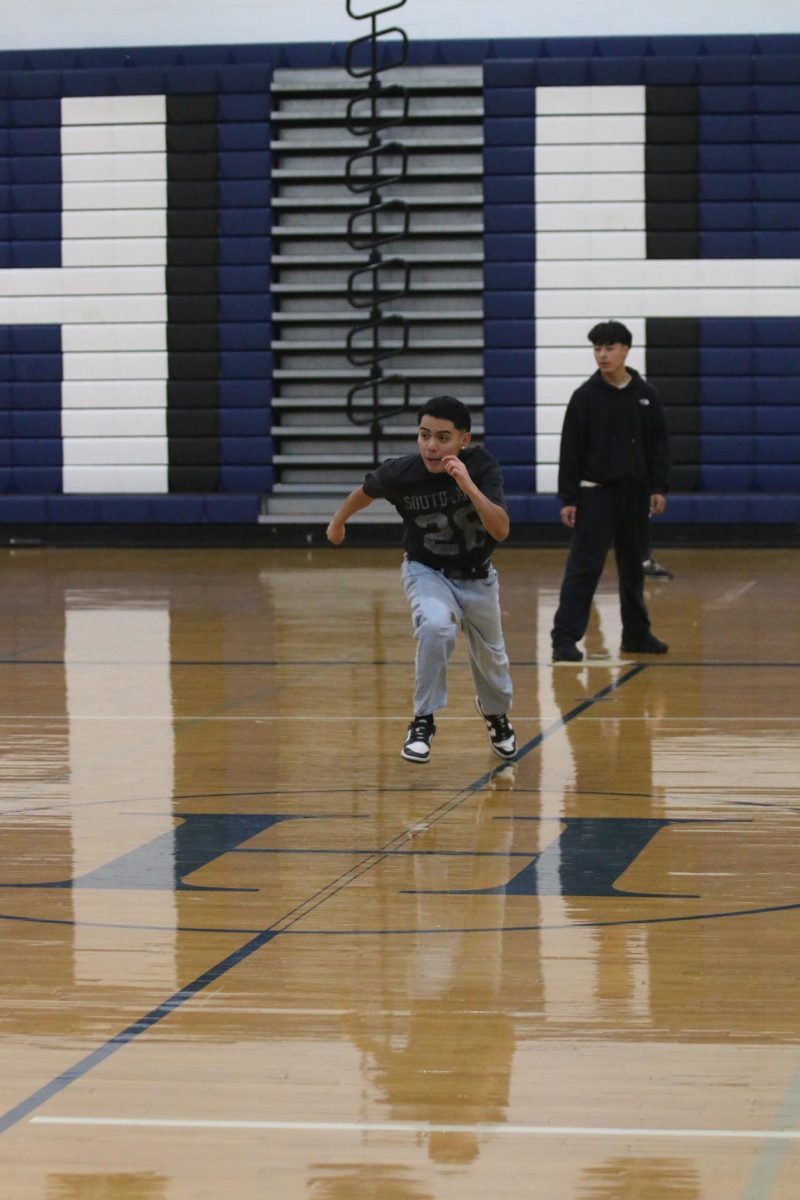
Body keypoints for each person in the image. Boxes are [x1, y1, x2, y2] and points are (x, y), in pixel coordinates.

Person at [326, 394, 516, 764]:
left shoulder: (481, 466)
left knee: (493, 661)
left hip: (477, 576)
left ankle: (495, 714)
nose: (431, 445)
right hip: (426, 570)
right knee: (434, 626)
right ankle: (423, 720)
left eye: (442, 437)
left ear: (464, 439)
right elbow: (364, 493)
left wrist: (468, 487)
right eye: (424, 434)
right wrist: (337, 522)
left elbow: (502, 529)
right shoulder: (403, 472)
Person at [551, 320, 671, 663]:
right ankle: (564, 638)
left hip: (634, 496)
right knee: (583, 568)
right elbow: (570, 450)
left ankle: (636, 634)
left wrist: (658, 486)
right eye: (597, 349)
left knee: (633, 568)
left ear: (625, 350)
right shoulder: (585, 397)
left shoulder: (646, 395)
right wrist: (568, 497)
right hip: (596, 496)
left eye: (609, 348)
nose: (602, 355)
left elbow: (659, 446)